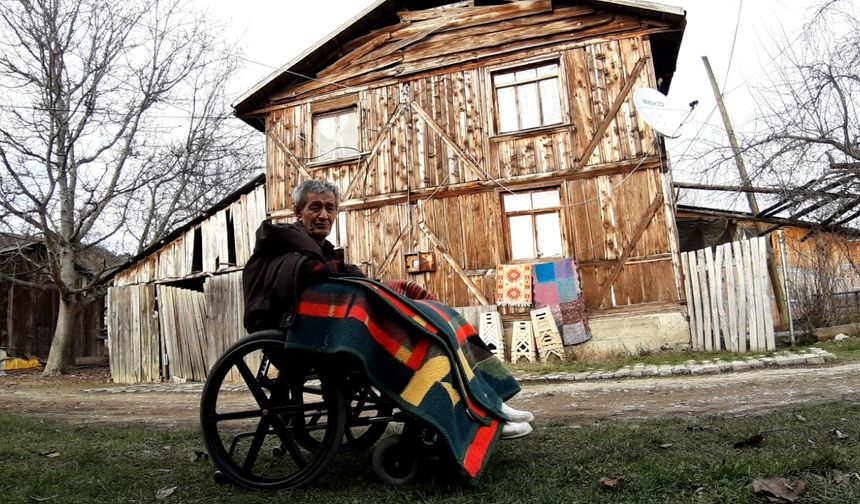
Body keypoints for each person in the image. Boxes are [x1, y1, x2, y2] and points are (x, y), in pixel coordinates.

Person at [243, 179, 533, 439]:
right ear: (298, 211)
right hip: (299, 335)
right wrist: (348, 276)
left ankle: (489, 400)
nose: (323, 215)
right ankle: (476, 415)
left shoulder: (319, 247)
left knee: (434, 315)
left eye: (330, 209)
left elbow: (335, 273)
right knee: (419, 345)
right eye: (314, 207)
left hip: (329, 331)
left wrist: (351, 275)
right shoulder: (284, 240)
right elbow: (305, 274)